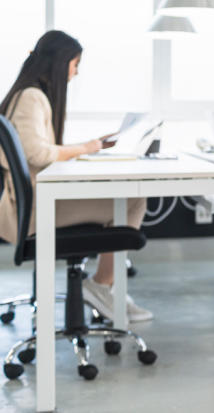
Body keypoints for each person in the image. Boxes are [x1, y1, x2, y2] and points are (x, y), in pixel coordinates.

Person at [0, 30, 152, 322]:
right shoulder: (32, 97)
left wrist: (89, 147)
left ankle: (106, 287)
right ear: (59, 62)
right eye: (75, 64)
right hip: (33, 211)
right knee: (133, 199)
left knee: (127, 199)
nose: (76, 72)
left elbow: (42, 150)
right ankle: (102, 286)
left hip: (32, 203)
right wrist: (89, 147)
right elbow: (37, 153)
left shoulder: (29, 95)